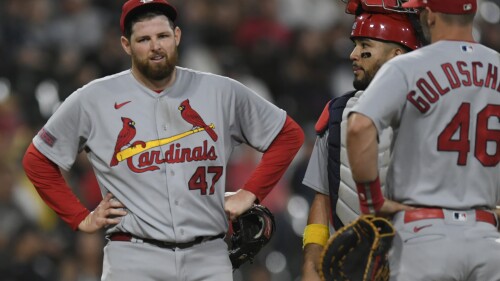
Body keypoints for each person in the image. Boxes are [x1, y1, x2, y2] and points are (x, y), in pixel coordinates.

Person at [21, 0, 305, 280]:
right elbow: (38, 160)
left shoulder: (220, 91)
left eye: (163, 36)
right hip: (133, 257)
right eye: (144, 39)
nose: (156, 46)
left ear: (177, 36)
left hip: (208, 255)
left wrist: (249, 192)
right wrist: (81, 217)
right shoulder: (94, 98)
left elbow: (288, 135)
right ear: (126, 44)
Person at [346, 0, 500, 279]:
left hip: (423, 238)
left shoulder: (408, 66)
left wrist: (373, 204)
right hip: (487, 239)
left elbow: (359, 127)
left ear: (429, 15)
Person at [301, 6, 422, 280]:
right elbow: (322, 199)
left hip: (420, 261)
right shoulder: (337, 113)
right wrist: (311, 265)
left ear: (397, 55)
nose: (353, 55)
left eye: (365, 46)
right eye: (355, 45)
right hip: (353, 264)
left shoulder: (433, 112)